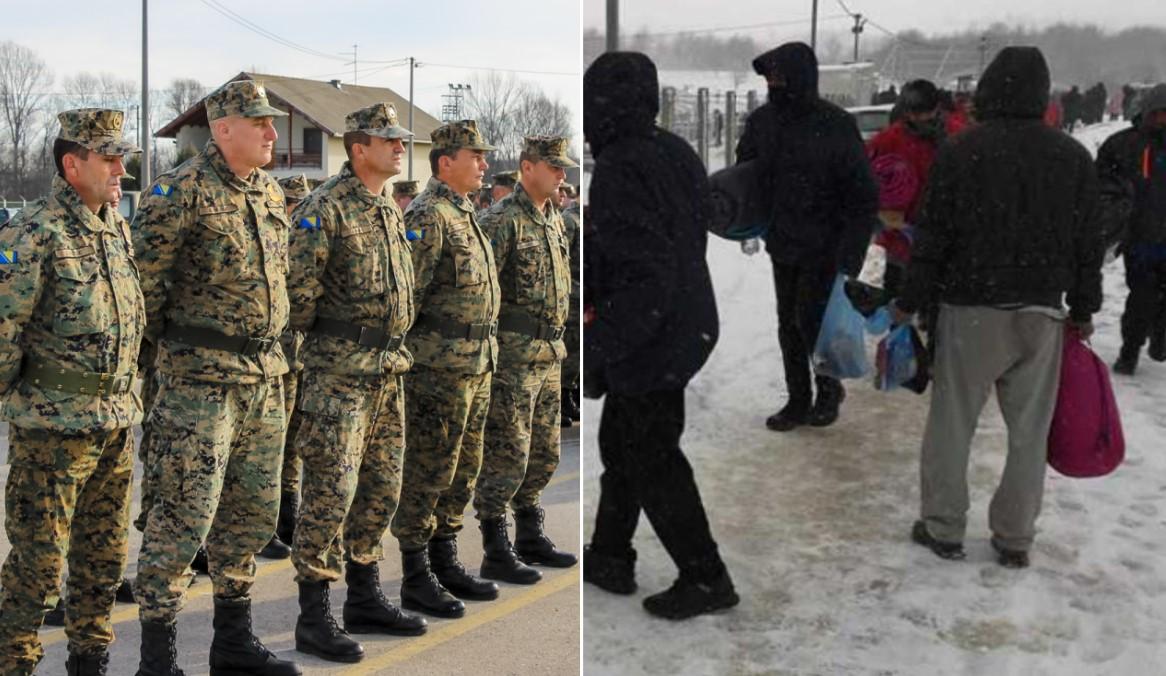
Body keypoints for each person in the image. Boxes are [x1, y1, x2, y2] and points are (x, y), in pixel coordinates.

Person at [891, 47, 1103, 569]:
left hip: (973, 308)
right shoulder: (1071, 156)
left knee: (953, 422)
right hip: (1043, 311)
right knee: (1030, 432)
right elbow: (1088, 241)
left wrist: (912, 299)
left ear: (988, 89)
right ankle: (1014, 535)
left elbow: (933, 237)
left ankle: (942, 525)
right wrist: (1083, 305)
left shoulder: (963, 151)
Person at [132, 79, 301, 676]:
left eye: (272, 122)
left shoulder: (268, 195)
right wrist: (165, 372)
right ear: (223, 128)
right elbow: (142, 299)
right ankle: (158, 659)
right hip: (198, 386)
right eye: (261, 123)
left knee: (250, 515)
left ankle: (233, 642)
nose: (273, 134)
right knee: (182, 519)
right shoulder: (178, 194)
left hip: (263, 377)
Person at [583, 51, 738, 620]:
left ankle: (706, 576)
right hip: (685, 322)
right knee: (624, 441)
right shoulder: (672, 149)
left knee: (652, 455)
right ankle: (608, 554)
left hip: (655, 333)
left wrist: (600, 346)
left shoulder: (623, 165)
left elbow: (644, 272)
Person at [0, 108, 142, 676]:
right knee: (38, 565)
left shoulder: (115, 225)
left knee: (103, 560)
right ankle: (15, 661)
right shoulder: (33, 232)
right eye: (109, 157)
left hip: (114, 424)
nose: (120, 168)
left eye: (122, 156)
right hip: (53, 430)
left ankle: (90, 660)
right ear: (71, 162)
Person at [284, 103, 427, 662]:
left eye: (400, 139)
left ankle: (364, 596)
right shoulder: (326, 209)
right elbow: (297, 299)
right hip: (339, 378)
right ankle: (313, 615)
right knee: (328, 494)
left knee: (380, 489)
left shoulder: (389, 209)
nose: (398, 146)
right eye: (386, 139)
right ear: (358, 148)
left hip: (387, 374)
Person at [389, 120, 502, 618]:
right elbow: (407, 296)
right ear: (445, 163)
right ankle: (416, 572)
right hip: (438, 372)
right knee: (428, 471)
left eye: (483, 156)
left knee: (462, 470)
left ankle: (445, 560)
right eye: (474, 156)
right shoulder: (429, 216)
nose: (483, 164)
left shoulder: (464, 212)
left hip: (474, 366)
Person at [735, 41, 878, 432]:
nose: (773, 83)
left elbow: (862, 192)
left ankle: (828, 389)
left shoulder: (835, 123)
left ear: (800, 75)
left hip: (827, 242)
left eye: (779, 75)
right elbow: (744, 174)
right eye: (769, 77)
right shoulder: (763, 122)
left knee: (813, 320)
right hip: (783, 239)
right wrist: (736, 214)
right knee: (789, 324)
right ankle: (798, 399)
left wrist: (852, 253)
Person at [474, 136, 578, 586]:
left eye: (564, 168)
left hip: (549, 354)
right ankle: (497, 548)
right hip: (514, 356)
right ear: (527, 167)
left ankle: (531, 535)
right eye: (554, 167)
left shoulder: (554, 218)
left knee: (544, 452)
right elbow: (482, 294)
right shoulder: (501, 221)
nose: (562, 175)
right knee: (507, 454)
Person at [258, 173, 312, 561]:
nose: (296, 210)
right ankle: (266, 520)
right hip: (274, 358)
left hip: (297, 356)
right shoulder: (274, 240)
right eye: (292, 203)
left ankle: (285, 514)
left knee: (291, 443)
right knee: (269, 448)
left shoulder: (300, 241)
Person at [866, 79, 960, 299]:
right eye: (913, 113)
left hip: (945, 245)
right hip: (898, 244)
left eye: (924, 112)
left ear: (937, 109)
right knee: (899, 313)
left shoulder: (957, 136)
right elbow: (866, 181)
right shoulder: (889, 139)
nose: (917, 119)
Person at [1099, 84, 1166, 374]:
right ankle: (1131, 349)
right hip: (1141, 237)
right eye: (1159, 114)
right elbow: (1101, 184)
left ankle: (1158, 337)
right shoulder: (1123, 144)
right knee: (1141, 295)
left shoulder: (1123, 143)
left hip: (1150, 234)